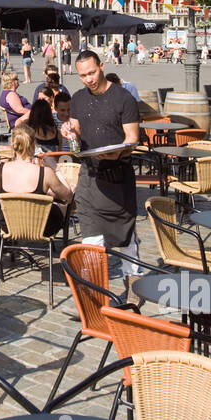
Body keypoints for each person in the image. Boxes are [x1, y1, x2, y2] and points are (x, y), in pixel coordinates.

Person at [70, 50, 142, 293]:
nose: (88, 79)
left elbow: (132, 139)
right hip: (89, 177)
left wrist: (117, 152)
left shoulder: (123, 99)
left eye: (92, 72)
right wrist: (69, 133)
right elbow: (76, 131)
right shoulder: (78, 99)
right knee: (90, 237)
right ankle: (93, 291)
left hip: (118, 177)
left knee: (126, 235)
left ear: (102, 66)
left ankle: (133, 284)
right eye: (83, 75)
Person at [0, 126, 73, 235]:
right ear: (34, 144)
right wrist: (56, 169)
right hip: (41, 228)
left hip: (8, 225)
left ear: (12, 144)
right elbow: (68, 197)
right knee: (62, 205)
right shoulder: (45, 172)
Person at [25, 90, 61, 155]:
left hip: (35, 163)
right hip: (53, 163)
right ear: (49, 113)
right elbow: (59, 153)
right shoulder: (56, 131)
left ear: (33, 113)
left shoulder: (29, 130)